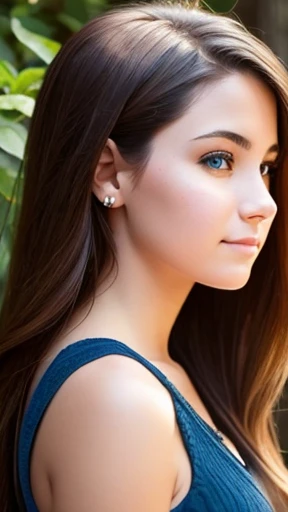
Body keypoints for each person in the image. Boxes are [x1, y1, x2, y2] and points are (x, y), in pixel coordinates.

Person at [0, 1, 288, 510]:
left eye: (265, 166)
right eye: (219, 159)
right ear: (109, 172)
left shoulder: (169, 374)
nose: (263, 204)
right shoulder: (116, 401)